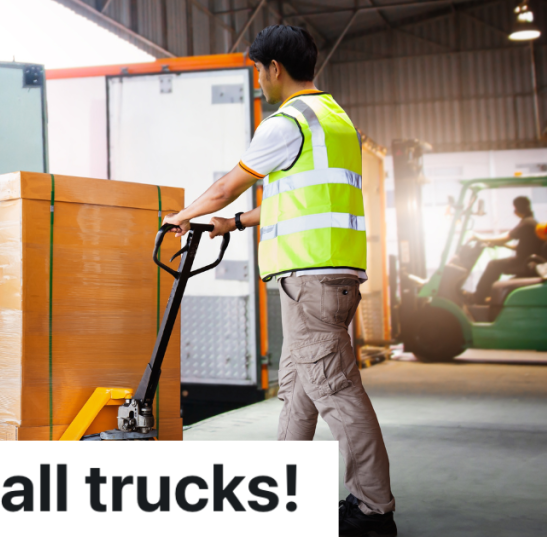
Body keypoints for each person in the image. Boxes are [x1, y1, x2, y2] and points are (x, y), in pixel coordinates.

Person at [162, 25, 396, 537]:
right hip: (327, 276)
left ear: (273, 68)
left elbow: (226, 185)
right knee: (298, 389)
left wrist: (182, 216)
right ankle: (286, 493)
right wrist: (233, 224)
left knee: (336, 390)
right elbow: (297, 201)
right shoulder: (333, 118)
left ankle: (374, 509)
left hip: (311, 280)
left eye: (257, 70)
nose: (259, 81)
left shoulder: (285, 122)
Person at [471, 196, 541, 302]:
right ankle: (486, 296)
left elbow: (505, 238)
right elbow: (522, 246)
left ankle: (478, 297)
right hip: (527, 260)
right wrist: (504, 246)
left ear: (516, 209)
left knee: (493, 265)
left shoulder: (527, 223)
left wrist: (479, 237)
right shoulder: (531, 221)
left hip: (524, 261)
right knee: (496, 264)